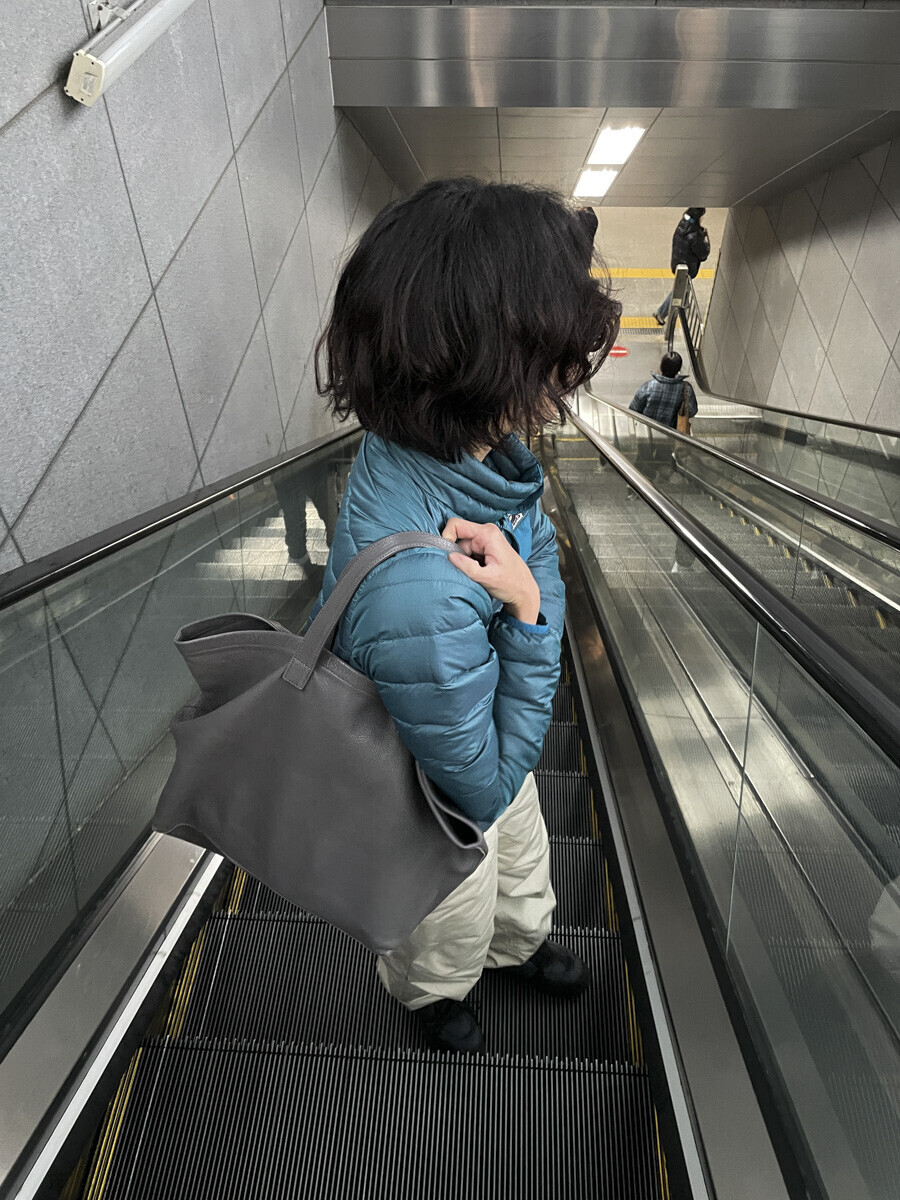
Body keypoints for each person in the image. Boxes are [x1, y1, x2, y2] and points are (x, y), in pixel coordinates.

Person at [313, 179, 621, 1053]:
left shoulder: (461, 452)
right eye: (551, 358)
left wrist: (526, 586)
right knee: (451, 904)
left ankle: (518, 945)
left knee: (521, 857)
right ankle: (434, 994)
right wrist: (527, 611)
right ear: (479, 363)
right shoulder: (419, 588)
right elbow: (476, 788)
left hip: (475, 720)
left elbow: (535, 541)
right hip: (429, 785)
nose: (565, 383)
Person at [654, 207, 711, 326]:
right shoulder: (694, 236)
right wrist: (705, 240)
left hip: (677, 262)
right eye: (702, 216)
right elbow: (703, 254)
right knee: (679, 290)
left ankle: (684, 304)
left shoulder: (683, 225)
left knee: (684, 287)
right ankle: (661, 313)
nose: (703, 218)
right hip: (687, 268)